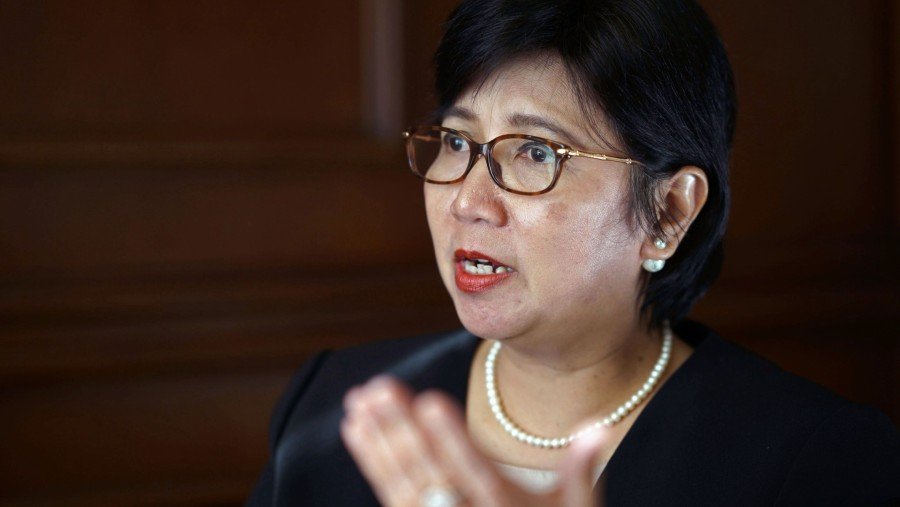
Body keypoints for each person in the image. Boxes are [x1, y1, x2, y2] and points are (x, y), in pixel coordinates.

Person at [245, 1, 900, 505]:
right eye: (457, 141)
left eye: (536, 152)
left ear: (669, 212)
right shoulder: (332, 406)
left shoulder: (816, 458)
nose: (467, 200)